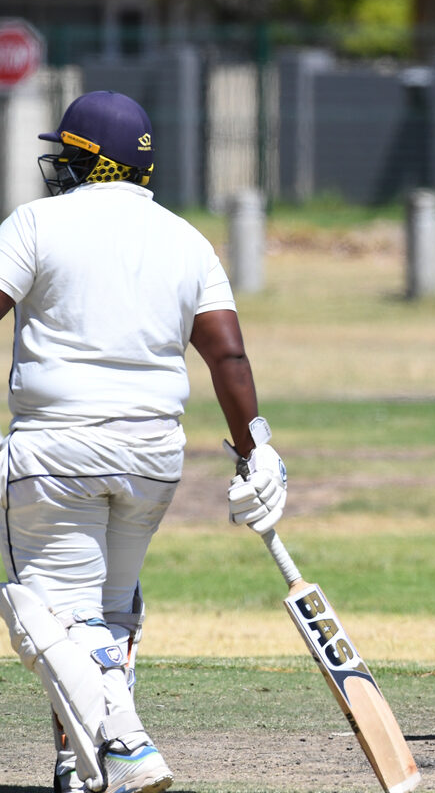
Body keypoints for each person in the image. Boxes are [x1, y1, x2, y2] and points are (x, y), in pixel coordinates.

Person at [0, 90, 287, 793]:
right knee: (105, 617)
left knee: (44, 613)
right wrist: (258, 450)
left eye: (67, 154)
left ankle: (125, 741)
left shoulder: (35, 223)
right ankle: (80, 760)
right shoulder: (186, 238)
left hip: (55, 451)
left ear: (89, 160)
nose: (58, 166)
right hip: (155, 457)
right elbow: (227, 357)